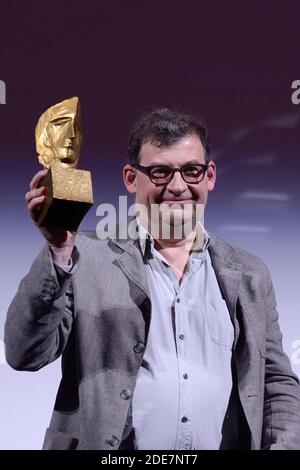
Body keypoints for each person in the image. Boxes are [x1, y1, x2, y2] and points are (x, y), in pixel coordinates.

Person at [4, 108, 300, 450]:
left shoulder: (249, 273)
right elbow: (24, 353)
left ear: (210, 176)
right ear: (131, 179)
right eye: (160, 172)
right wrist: (57, 253)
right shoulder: (83, 257)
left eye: (191, 171)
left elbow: (276, 382)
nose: (177, 187)